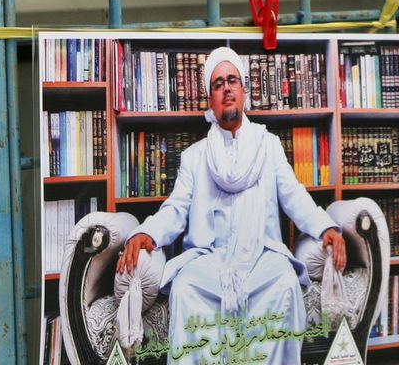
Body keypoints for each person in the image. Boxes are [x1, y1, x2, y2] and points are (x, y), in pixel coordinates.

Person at [116, 47, 347, 364]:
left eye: (232, 81)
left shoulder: (268, 146)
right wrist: (148, 234)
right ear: (210, 99)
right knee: (185, 289)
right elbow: (176, 208)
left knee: (284, 285)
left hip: (261, 256)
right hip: (209, 260)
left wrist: (326, 228)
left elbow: (293, 194)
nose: (226, 88)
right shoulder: (195, 157)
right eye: (218, 83)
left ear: (243, 90)